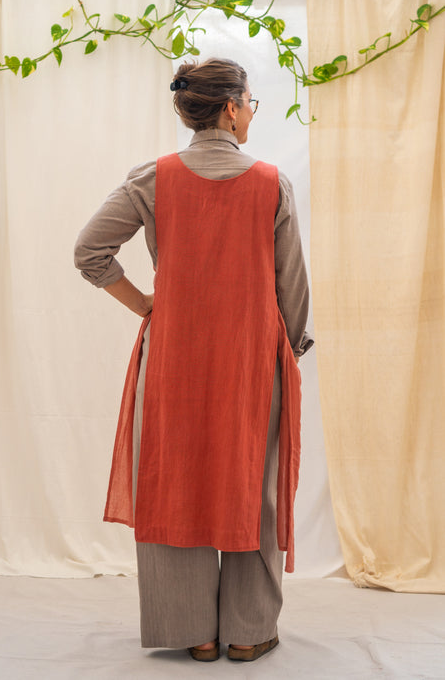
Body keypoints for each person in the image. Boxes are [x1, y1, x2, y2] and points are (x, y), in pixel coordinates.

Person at [74, 57, 313, 663]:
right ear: (231, 108)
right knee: (252, 485)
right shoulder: (271, 183)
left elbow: (90, 251)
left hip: (173, 359)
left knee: (172, 482)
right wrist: (290, 349)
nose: (252, 113)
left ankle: (192, 632)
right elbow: (291, 287)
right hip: (250, 363)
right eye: (251, 103)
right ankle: (247, 630)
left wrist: (147, 305)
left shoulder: (152, 179)